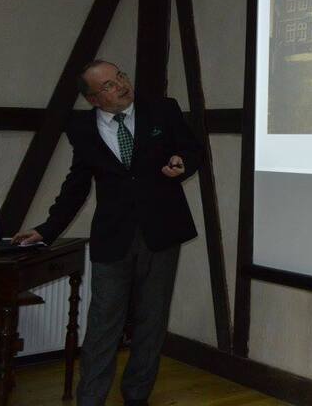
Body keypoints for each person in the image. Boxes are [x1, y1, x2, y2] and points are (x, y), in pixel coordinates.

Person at [13, 60, 201, 406]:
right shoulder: (81, 128)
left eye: (120, 77)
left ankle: (136, 396)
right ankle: (90, 398)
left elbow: (192, 149)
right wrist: (47, 229)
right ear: (93, 99)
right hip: (113, 237)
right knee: (103, 322)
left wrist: (182, 163)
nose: (122, 86)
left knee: (151, 321)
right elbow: (77, 185)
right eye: (109, 86)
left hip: (162, 231)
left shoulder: (162, 109)